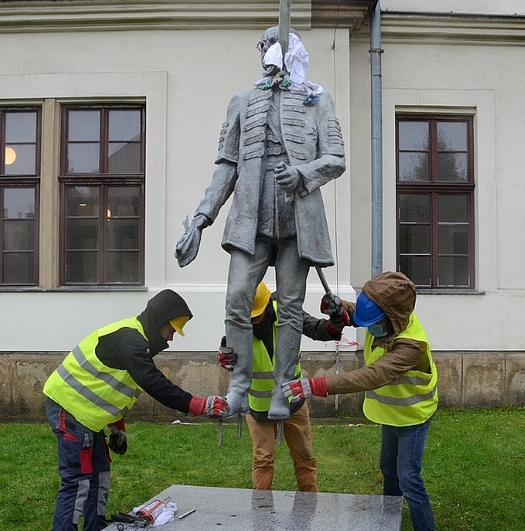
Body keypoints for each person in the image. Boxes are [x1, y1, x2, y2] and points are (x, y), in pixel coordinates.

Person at [176, 26, 346, 419]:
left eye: (276, 46)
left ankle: (282, 390)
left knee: (289, 306)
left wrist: (303, 174)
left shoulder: (316, 100)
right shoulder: (242, 100)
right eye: (265, 46)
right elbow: (227, 167)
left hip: (297, 219)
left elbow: (335, 157)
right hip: (250, 219)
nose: (269, 52)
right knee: (237, 297)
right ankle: (239, 386)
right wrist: (201, 220)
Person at [43, 289, 229, 531]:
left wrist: (117, 426)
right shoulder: (129, 340)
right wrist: (196, 404)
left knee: (100, 477)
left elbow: (110, 385)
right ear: (159, 322)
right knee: (77, 481)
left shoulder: (137, 343)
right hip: (69, 407)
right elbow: (151, 381)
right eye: (171, 331)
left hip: (88, 417)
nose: (170, 339)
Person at [283, 271, 437, 531]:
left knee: (409, 479)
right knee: (388, 470)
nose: (368, 327)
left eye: (374, 322)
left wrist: (316, 384)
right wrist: (340, 307)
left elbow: (372, 376)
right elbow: (360, 313)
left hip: (413, 416)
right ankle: (390, 522)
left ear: (392, 318)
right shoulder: (392, 317)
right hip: (391, 414)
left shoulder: (411, 346)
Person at [218, 282, 348, 491]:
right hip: (259, 406)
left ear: (268, 303)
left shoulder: (287, 312)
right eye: (248, 317)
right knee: (263, 459)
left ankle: (308, 511)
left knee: (304, 457)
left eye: (256, 315)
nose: (252, 321)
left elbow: (321, 330)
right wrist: (225, 358)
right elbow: (229, 357)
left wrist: (336, 321)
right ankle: (262, 515)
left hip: (292, 400)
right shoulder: (238, 324)